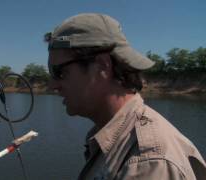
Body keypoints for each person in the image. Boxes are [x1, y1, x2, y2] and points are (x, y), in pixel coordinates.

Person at [45, 13, 206, 180]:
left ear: (102, 65)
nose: (52, 86)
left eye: (59, 72)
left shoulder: (147, 164)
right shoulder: (119, 137)